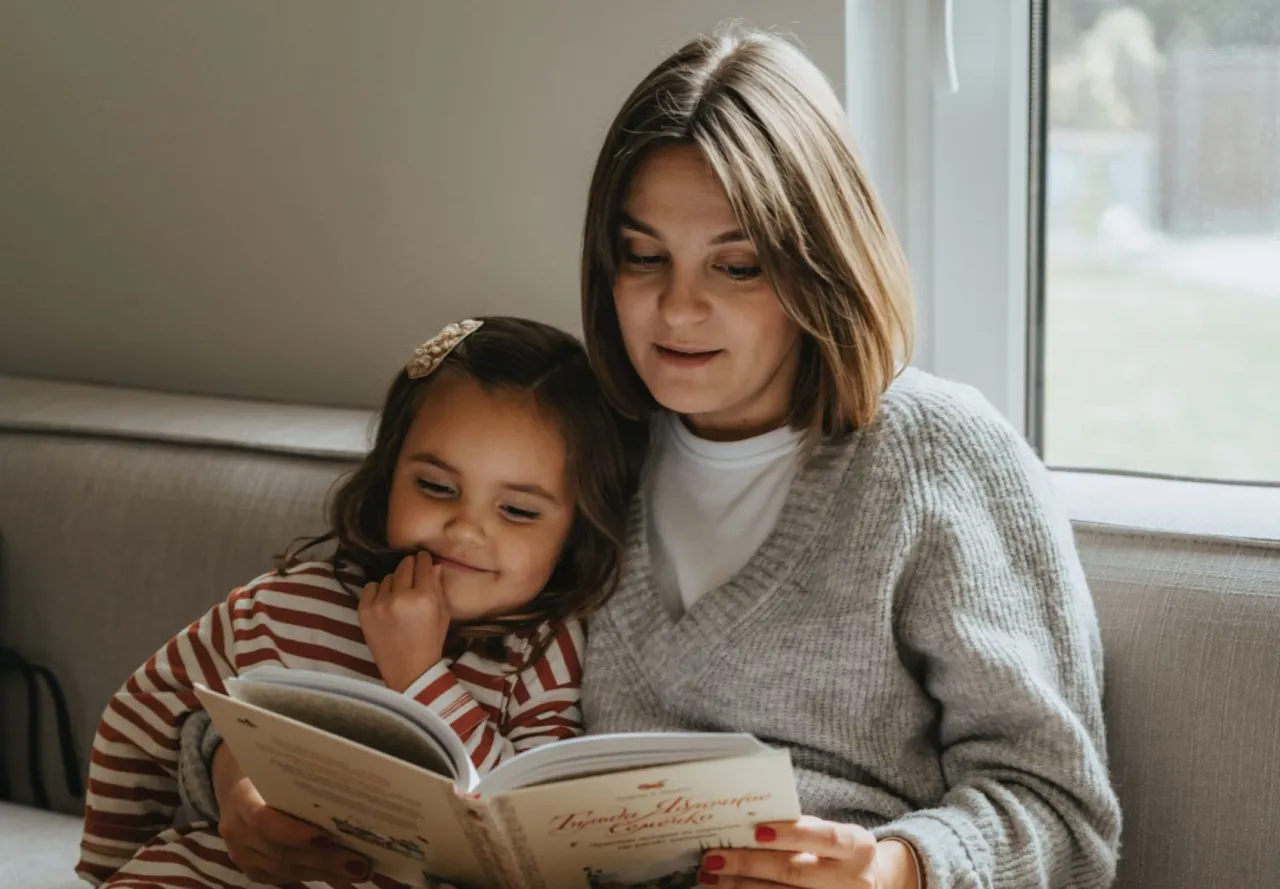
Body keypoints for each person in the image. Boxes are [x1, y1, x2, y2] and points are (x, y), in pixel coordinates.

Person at [178, 26, 1122, 889]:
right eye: (643, 257)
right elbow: (316, 650)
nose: (676, 310)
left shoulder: (939, 458)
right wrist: (237, 782)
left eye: (736, 265)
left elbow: (1063, 812)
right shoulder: (570, 451)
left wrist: (895, 870)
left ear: (818, 262)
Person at [76, 317, 643, 888]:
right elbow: (140, 714)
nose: (465, 529)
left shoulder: (546, 650)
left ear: (575, 530)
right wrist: (105, 867)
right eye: (436, 487)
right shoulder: (283, 604)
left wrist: (419, 676)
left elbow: (533, 830)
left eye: (518, 511)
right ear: (389, 474)